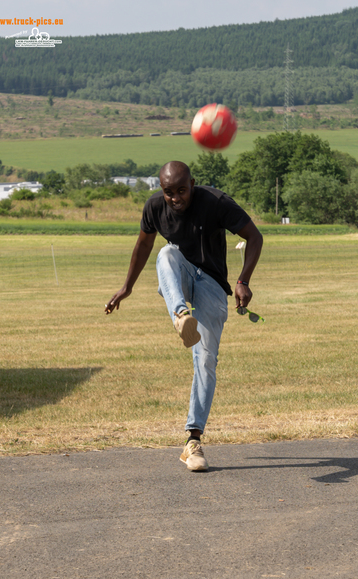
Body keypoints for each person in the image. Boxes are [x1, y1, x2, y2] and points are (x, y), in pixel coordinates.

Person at [105, 161, 263, 471]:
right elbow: (143, 245)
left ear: (192, 183)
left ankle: (193, 442)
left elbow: (254, 237)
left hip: (213, 285)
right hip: (179, 278)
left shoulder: (216, 202)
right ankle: (180, 315)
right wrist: (126, 288)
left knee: (205, 360)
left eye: (181, 190)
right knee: (167, 253)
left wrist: (243, 280)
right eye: (169, 193)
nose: (176, 198)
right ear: (161, 190)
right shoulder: (154, 207)